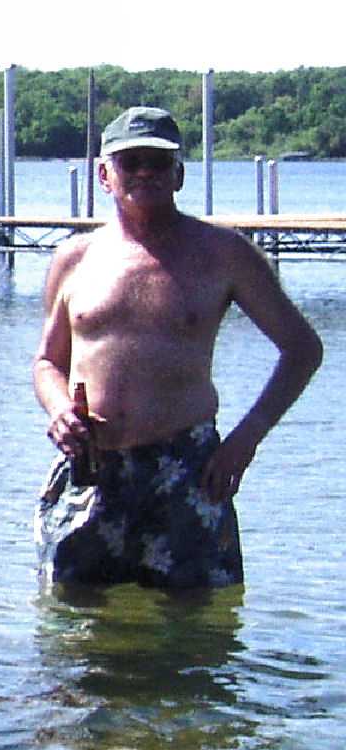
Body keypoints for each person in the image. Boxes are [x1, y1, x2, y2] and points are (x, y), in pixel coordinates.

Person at [32, 106, 322, 590]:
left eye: (158, 161)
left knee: (197, 624)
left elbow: (302, 349)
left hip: (187, 470)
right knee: (71, 621)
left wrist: (246, 439)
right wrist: (60, 409)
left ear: (179, 174)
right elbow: (47, 362)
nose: (144, 172)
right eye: (131, 161)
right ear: (104, 175)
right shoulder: (73, 258)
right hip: (90, 467)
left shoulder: (224, 253)